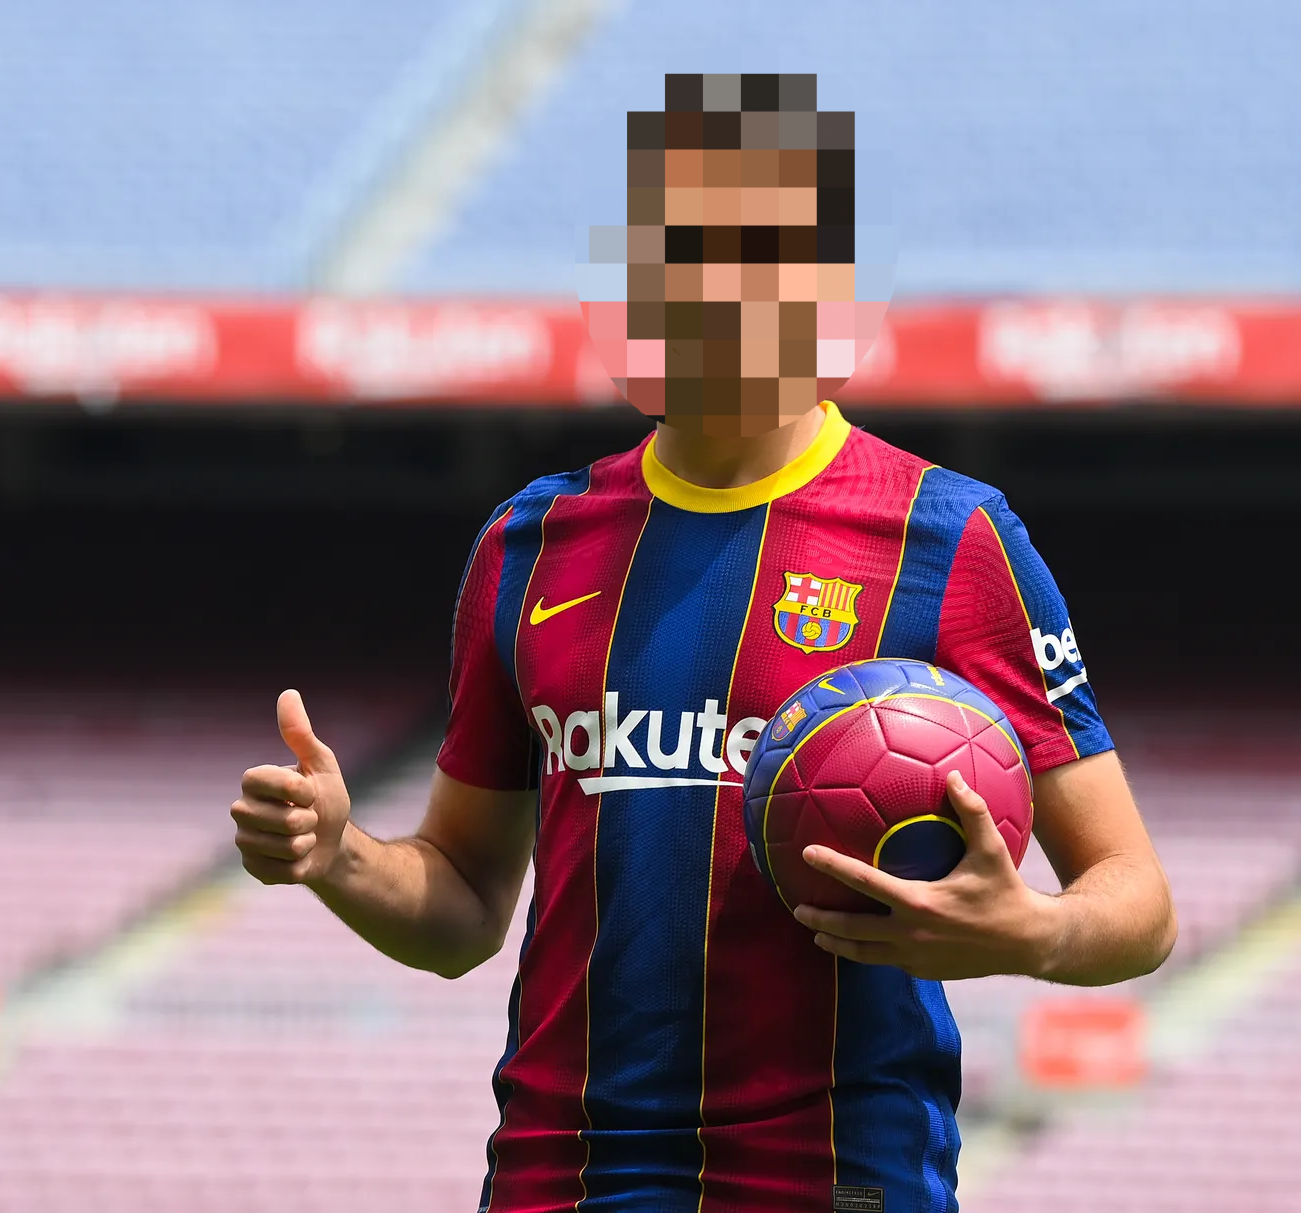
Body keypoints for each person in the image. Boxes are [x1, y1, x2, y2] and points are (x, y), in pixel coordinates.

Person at [231, 73, 1174, 1213]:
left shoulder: (951, 539)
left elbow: (1137, 902)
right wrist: (337, 854)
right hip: (561, 1179)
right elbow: (463, 904)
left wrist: (1030, 932)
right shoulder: (529, 544)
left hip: (837, 1181)